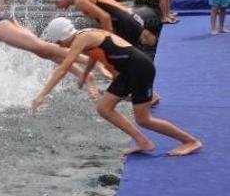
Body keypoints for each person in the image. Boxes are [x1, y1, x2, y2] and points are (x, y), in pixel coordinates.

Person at [32, 17, 202, 156]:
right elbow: (94, 55)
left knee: (144, 119)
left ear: (63, 37)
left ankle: (190, 141)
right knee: (104, 108)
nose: (60, 46)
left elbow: (62, 69)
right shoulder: (85, 36)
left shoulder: (81, 39)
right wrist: (84, 75)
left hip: (140, 69)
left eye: (59, 42)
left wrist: (41, 96)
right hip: (128, 71)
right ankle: (143, 142)